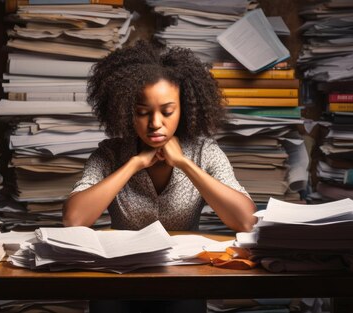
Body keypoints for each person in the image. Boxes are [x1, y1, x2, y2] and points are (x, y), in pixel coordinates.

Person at [62, 40, 257, 312]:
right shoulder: (110, 154)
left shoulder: (204, 152)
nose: (155, 123)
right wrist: (133, 164)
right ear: (125, 110)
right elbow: (74, 219)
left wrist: (185, 164)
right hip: (120, 277)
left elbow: (247, 221)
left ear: (185, 108)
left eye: (167, 112)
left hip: (182, 279)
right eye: (142, 112)